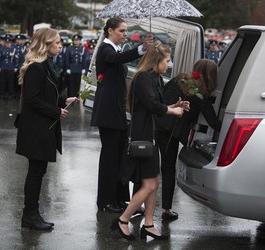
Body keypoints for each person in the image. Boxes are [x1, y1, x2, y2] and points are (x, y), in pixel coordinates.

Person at [111, 41, 186, 241]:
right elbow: (153, 106)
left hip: (149, 135)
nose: (168, 65)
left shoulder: (154, 78)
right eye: (167, 60)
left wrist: (174, 105)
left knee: (154, 181)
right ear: (157, 60)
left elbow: (157, 105)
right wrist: (173, 110)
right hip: (142, 136)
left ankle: (150, 224)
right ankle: (123, 220)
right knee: (150, 185)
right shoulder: (144, 77)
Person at [16, 28, 77, 231]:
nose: (60, 45)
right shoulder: (37, 67)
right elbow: (32, 100)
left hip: (42, 126)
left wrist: (63, 100)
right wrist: (56, 111)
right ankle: (29, 215)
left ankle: (33, 214)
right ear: (46, 44)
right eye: (57, 42)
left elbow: (45, 95)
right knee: (35, 172)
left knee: (38, 171)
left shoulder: (47, 66)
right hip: (36, 128)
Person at [90, 17, 153, 213]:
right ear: (110, 31)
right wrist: (140, 49)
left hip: (117, 110)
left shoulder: (115, 50)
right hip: (108, 112)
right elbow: (118, 59)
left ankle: (118, 198)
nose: (125, 34)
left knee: (119, 157)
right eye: (122, 31)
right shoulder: (106, 49)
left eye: (126, 31)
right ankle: (105, 201)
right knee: (109, 157)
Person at [155, 59, 222, 221]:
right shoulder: (200, 94)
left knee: (148, 166)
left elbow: (161, 97)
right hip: (172, 132)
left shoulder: (178, 79)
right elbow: (213, 122)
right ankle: (166, 209)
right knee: (168, 168)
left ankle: (140, 204)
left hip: (156, 123)